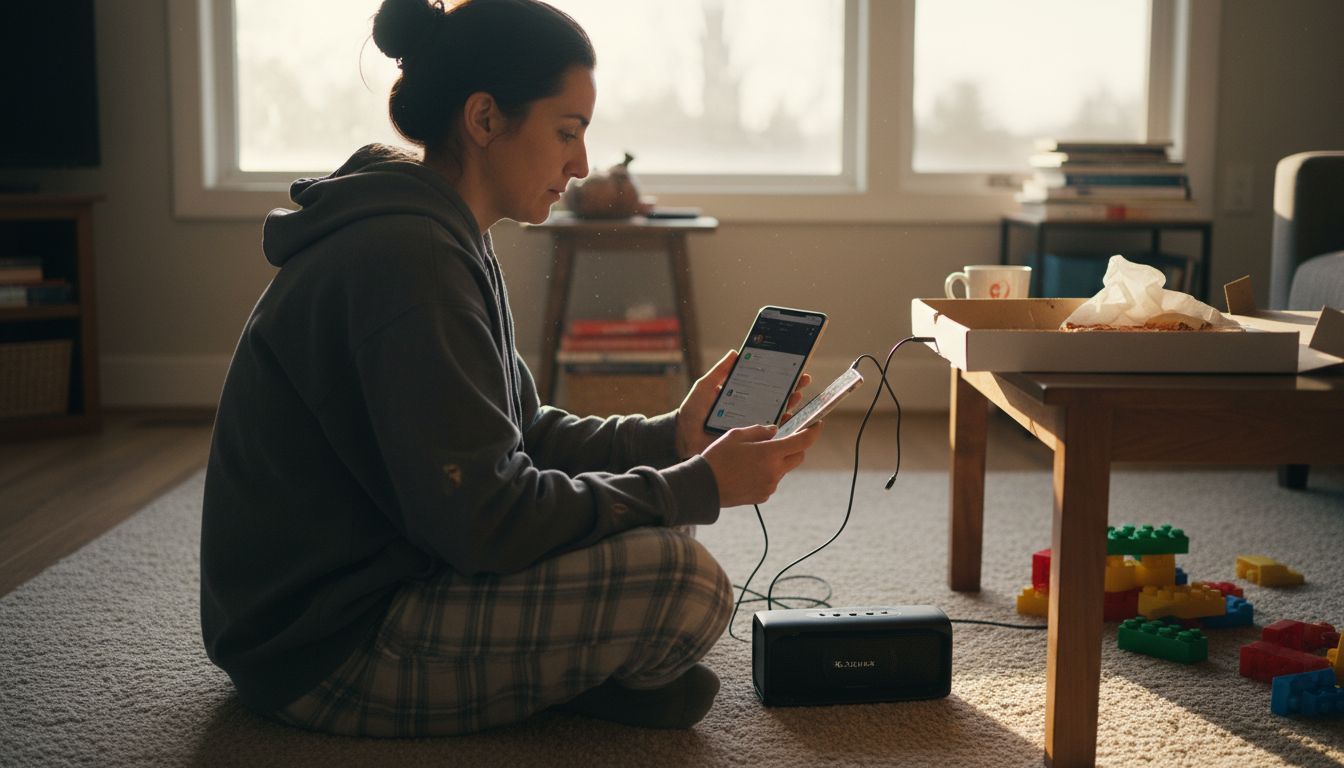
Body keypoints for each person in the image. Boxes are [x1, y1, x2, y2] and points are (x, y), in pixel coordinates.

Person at [200, 0, 822, 738]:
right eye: (567, 132)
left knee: (668, 527)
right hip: (322, 644)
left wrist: (671, 438)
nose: (582, 164)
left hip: (391, 570)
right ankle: (567, 689)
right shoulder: (410, 260)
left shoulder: (445, 235)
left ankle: (562, 682)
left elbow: (521, 434)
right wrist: (702, 483)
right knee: (685, 583)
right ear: (486, 119)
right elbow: (487, 521)